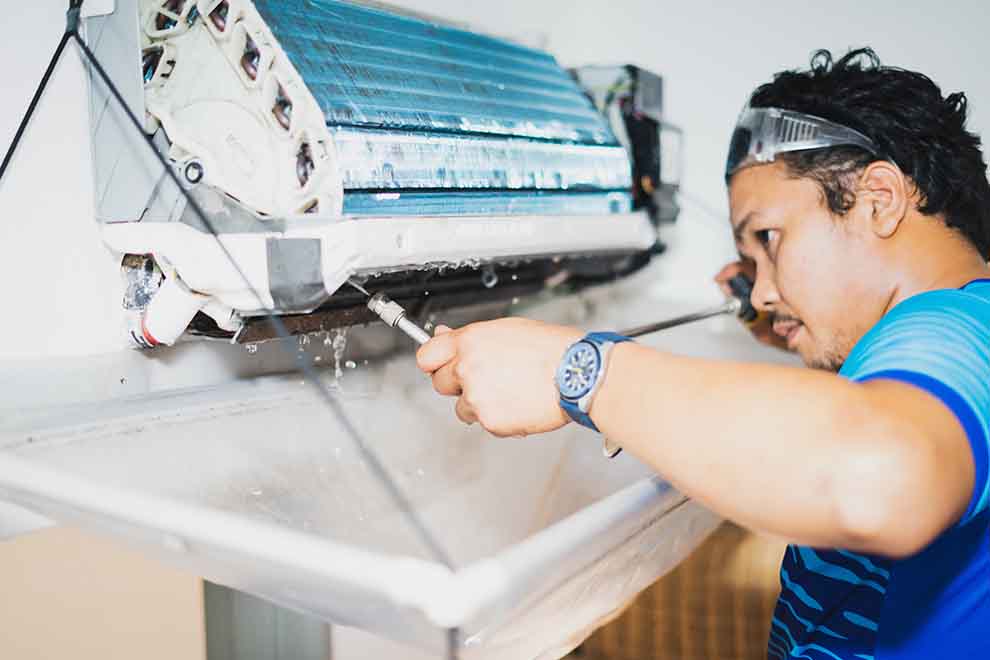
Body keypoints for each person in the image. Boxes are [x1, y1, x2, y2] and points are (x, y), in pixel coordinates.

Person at [416, 49, 990, 659]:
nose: (763, 292)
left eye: (768, 238)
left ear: (878, 198)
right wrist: (798, 331)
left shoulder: (958, 327)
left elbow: (879, 477)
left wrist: (577, 371)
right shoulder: (948, 332)